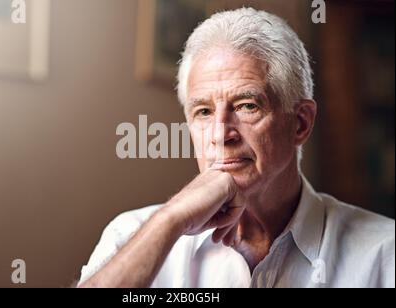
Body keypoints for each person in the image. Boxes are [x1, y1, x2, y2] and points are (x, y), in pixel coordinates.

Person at [79, 7, 395, 288]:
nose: (220, 134)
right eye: (203, 112)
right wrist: (170, 219)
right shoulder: (133, 234)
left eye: (246, 106)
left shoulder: (384, 253)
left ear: (300, 123)